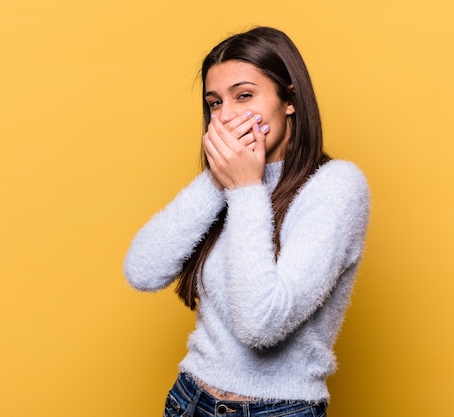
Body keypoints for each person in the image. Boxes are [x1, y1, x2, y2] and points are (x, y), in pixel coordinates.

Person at [124, 26, 370, 417]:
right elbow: (142, 270)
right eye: (215, 103)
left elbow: (261, 325)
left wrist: (242, 188)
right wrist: (218, 178)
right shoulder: (228, 183)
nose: (226, 117)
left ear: (289, 99)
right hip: (189, 400)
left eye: (244, 96)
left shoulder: (336, 186)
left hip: (276, 409)